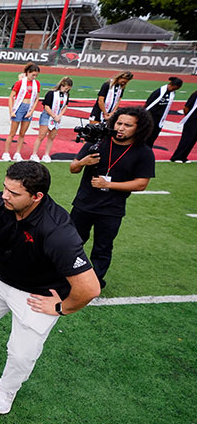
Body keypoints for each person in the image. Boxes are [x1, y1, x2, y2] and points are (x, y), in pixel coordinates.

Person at [0, 161, 102, 415]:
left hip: (38, 294)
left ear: (37, 197)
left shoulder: (57, 230)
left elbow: (90, 288)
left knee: (21, 352)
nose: (5, 196)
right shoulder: (0, 204)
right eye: (5, 188)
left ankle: (7, 391)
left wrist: (61, 307)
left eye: (14, 193)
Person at [69, 106, 155, 289]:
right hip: (83, 204)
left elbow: (141, 183)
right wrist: (83, 162)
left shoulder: (144, 152)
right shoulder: (98, 141)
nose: (121, 128)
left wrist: (108, 184)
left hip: (111, 209)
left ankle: (94, 283)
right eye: (119, 123)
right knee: (71, 242)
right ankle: (64, 274)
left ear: (138, 128)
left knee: (102, 248)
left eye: (128, 125)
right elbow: (73, 168)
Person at [3, 63, 41, 161]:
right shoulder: (20, 82)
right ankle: (6, 153)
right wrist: (11, 111)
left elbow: (37, 98)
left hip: (28, 108)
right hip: (19, 106)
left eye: (36, 75)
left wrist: (31, 111)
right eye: (33, 75)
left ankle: (17, 153)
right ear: (28, 73)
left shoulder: (36, 83)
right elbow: (11, 96)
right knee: (12, 133)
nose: (34, 77)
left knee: (22, 133)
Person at [29, 77, 72, 163]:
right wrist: (54, 115)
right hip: (47, 116)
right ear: (62, 85)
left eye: (68, 89)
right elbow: (46, 106)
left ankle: (46, 155)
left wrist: (59, 115)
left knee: (51, 137)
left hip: (57, 117)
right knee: (41, 136)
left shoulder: (66, 95)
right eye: (66, 88)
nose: (66, 90)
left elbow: (65, 106)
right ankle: (34, 154)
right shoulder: (51, 93)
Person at [143, 77, 182, 149]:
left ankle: (148, 150)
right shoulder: (159, 92)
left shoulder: (172, 94)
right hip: (151, 116)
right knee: (146, 135)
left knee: (153, 136)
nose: (174, 90)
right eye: (174, 88)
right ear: (171, 84)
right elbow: (148, 103)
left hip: (160, 118)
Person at [170, 88, 197, 163]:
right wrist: (188, 117)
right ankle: (177, 157)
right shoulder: (195, 95)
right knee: (187, 139)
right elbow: (186, 107)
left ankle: (184, 157)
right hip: (192, 120)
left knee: (192, 140)